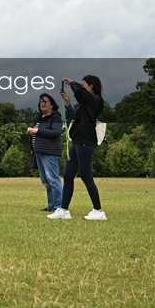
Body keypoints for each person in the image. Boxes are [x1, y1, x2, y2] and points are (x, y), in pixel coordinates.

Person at [48, 76, 106, 221]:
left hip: (86, 142)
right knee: (68, 175)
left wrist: (72, 83)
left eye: (84, 84)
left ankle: (99, 211)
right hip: (77, 141)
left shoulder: (95, 101)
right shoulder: (85, 104)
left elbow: (80, 93)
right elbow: (73, 116)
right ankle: (64, 209)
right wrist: (68, 103)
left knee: (86, 176)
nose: (82, 87)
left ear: (91, 86)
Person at [27, 93, 63, 213]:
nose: (42, 103)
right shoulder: (39, 117)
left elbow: (56, 133)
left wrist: (37, 130)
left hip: (50, 152)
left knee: (53, 179)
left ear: (52, 105)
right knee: (46, 181)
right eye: (41, 101)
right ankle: (51, 205)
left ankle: (59, 206)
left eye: (45, 101)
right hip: (39, 152)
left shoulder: (56, 117)